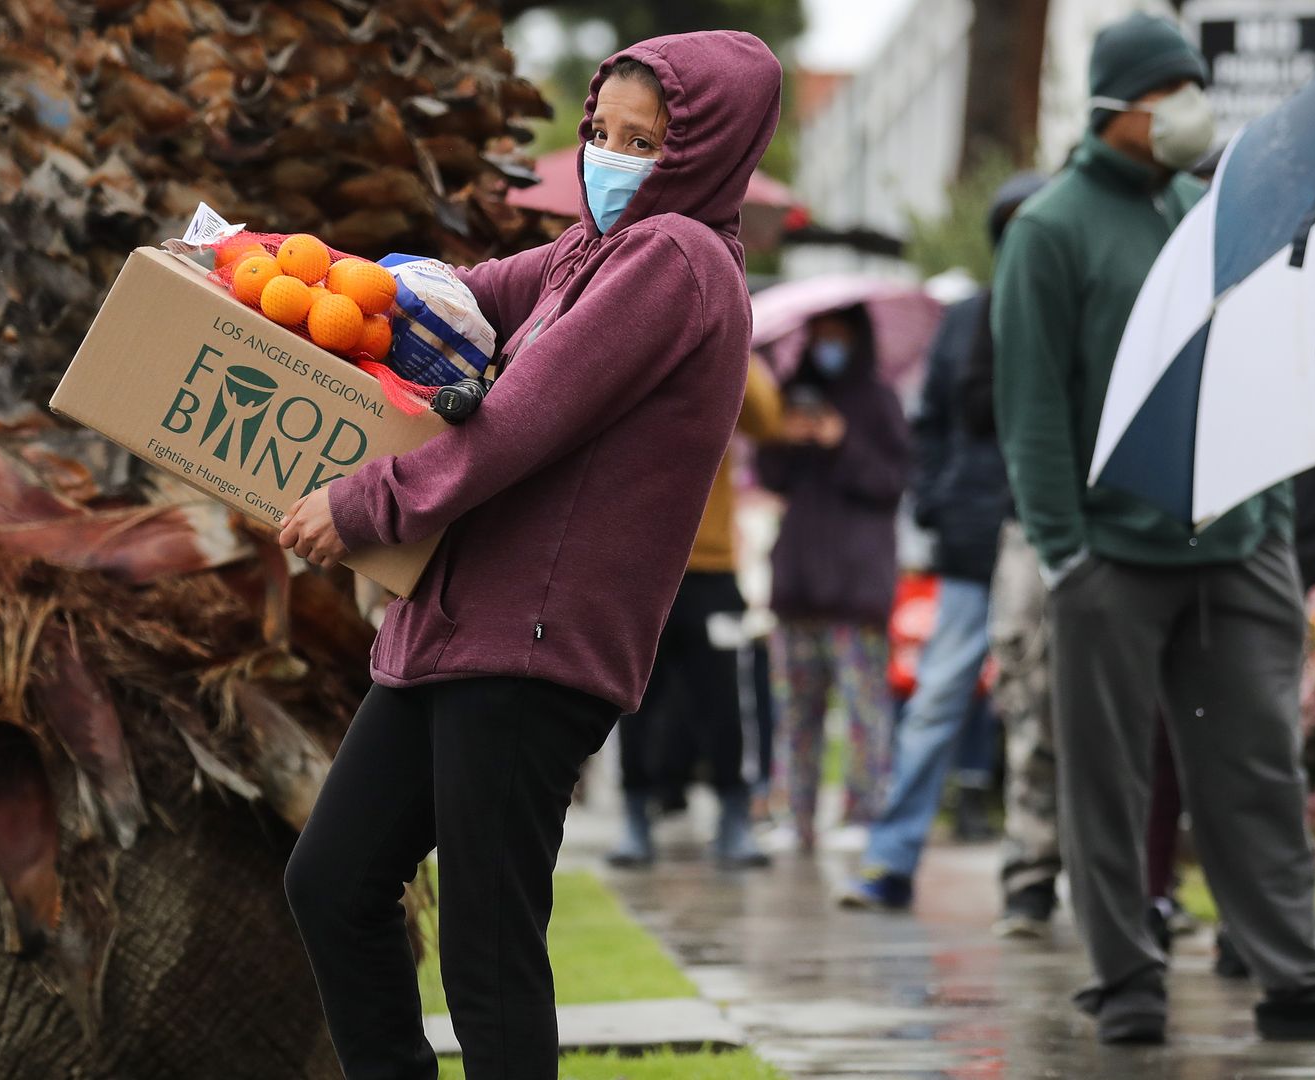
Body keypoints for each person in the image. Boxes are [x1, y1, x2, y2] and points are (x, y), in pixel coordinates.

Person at [274, 33, 780, 1079]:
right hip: (454, 629)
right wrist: (292, 275)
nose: (612, 155)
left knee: (489, 957)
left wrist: (366, 502)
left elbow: (516, 421)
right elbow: (457, 292)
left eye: (646, 140)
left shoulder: (674, 259)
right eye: (601, 130)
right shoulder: (589, 249)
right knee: (333, 881)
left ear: (703, 151)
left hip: (532, 644)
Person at [991, 13, 1315, 1045]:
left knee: (1258, 768)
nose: (1189, 109)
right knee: (1110, 780)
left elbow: (1255, 364)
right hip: (1110, 558)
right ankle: (1126, 976)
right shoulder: (1051, 231)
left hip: (1236, 544)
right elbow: (1032, 408)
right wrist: (1065, 552)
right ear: (1117, 107)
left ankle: (1295, 977)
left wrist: (1268, 512)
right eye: (1168, 91)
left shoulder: (1205, 208)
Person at [838, 174, 1042, 910]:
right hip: (968, 544)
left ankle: (1041, 875)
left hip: (1047, 541)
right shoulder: (967, 321)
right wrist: (934, 499)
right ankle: (891, 860)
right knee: (936, 704)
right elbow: (932, 425)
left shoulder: (1065, 316)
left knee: (1042, 711)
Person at [609, 356, 783, 870]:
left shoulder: (724, 370)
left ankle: (735, 815)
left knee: (727, 699)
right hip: (642, 569)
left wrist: (730, 332)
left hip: (712, 570)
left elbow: (767, 420)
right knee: (632, 702)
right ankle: (636, 815)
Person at [758, 306, 909, 853]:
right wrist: (785, 436)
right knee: (795, 713)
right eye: (818, 337)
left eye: (837, 338)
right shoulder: (793, 393)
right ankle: (793, 818)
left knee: (865, 712)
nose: (827, 348)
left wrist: (841, 441)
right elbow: (770, 476)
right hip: (797, 585)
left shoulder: (878, 401)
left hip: (856, 588)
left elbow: (893, 481)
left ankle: (865, 814)